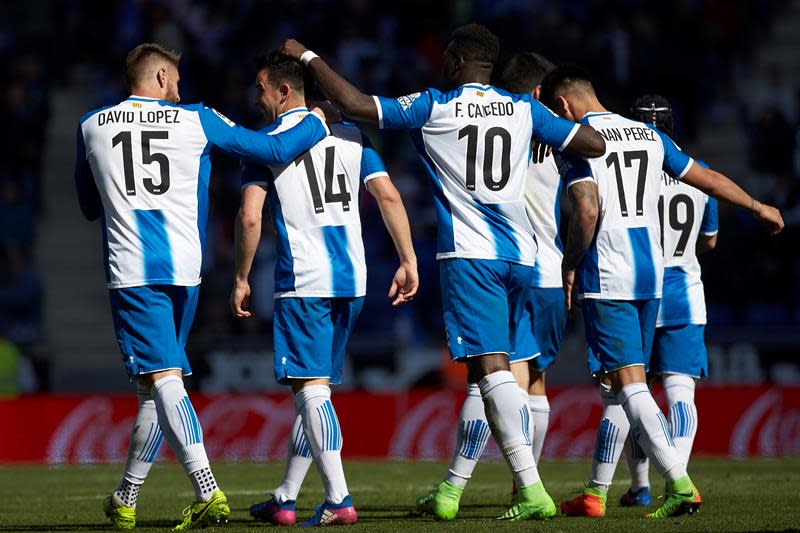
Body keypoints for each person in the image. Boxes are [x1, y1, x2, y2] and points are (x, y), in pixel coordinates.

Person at [281, 24, 606, 521]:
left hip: (471, 256)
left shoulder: (435, 104)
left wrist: (306, 57)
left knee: (491, 370)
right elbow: (592, 144)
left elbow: (357, 104)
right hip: (521, 256)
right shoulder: (523, 108)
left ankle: (531, 488)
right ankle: (460, 488)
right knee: (493, 371)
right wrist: (548, 136)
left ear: (456, 62)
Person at [75, 42, 330, 531]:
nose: (180, 89)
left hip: (133, 271)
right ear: (163, 79)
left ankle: (207, 489)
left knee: (162, 377)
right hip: (186, 271)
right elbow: (273, 149)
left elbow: (89, 206)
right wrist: (317, 120)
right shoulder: (197, 119)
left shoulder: (90, 124)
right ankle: (126, 496)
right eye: (177, 80)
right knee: (155, 385)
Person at [541, 66, 783, 519]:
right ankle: (597, 492)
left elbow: (587, 209)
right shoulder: (648, 137)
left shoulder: (574, 141)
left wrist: (569, 265)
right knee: (628, 385)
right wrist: (755, 205)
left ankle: (679, 482)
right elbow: (706, 180)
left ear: (563, 107)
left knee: (628, 385)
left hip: (609, 273)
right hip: (653, 275)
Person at [230, 51, 418, 527]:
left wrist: (241, 276)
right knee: (315, 391)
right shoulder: (354, 137)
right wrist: (407, 259)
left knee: (309, 392)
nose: (256, 96)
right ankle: (286, 496)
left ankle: (338, 498)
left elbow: (250, 216)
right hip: (352, 281)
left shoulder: (263, 144)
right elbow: (389, 196)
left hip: (304, 281)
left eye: (260, 87)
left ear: (284, 92)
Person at [410, 51, 569, 509]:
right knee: (533, 384)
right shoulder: (542, 131)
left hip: (503, 262)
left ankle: (480, 487)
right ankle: (506, 486)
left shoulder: (504, 125)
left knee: (491, 375)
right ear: (540, 94)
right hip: (549, 271)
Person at [615, 95, 719, 506]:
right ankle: (680, 478)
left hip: (638, 288)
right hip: (685, 294)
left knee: (634, 394)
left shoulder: (627, 172)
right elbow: (709, 240)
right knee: (681, 395)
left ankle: (640, 486)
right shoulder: (701, 173)